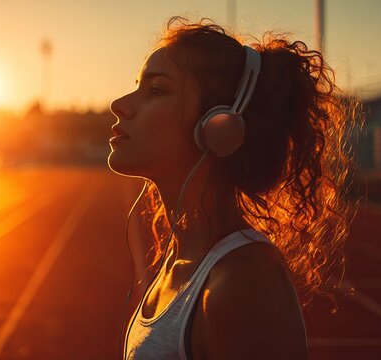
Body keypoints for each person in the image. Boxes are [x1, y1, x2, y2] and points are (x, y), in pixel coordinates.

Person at [107, 16, 359, 360]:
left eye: (156, 89)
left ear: (219, 126)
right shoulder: (181, 258)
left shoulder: (242, 284)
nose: (119, 104)